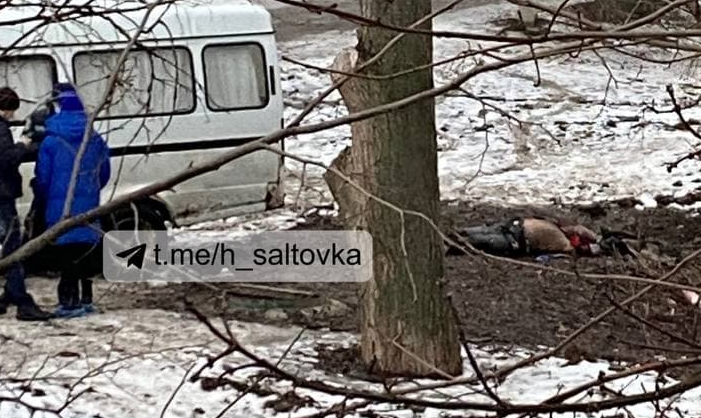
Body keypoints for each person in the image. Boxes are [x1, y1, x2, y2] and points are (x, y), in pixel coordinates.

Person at [34, 83, 110, 318]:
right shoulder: (94, 138)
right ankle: (86, 299)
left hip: (60, 205)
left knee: (66, 253)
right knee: (85, 249)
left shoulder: (51, 140)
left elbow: (43, 177)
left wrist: (43, 195)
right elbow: (104, 171)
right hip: (88, 203)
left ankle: (68, 302)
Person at [0, 87, 53, 321]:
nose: (12, 116)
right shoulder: (0, 128)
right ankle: (22, 301)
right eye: (11, 110)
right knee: (13, 245)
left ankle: (12, 292)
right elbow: (5, 160)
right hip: (2, 195)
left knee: (9, 243)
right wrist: (22, 144)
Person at [446, 216, 605, 257]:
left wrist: (595, 244)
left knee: (481, 241)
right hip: (513, 226)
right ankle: (451, 234)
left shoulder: (561, 240)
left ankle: (452, 245)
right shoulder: (554, 225)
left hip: (515, 241)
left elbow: (575, 249)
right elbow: (577, 228)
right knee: (481, 231)